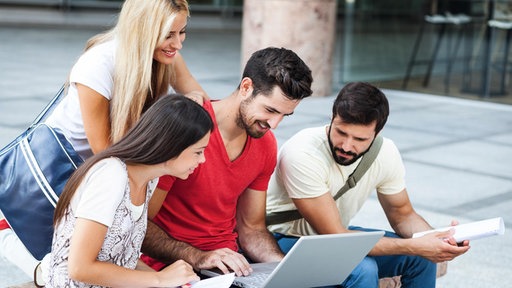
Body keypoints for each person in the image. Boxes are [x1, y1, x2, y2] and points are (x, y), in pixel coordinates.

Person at [0, 0, 207, 282]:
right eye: (169, 34)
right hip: (68, 166)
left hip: (118, 163)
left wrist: (193, 103)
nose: (178, 43)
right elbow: (104, 151)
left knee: (95, 252)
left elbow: (196, 93)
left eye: (182, 32)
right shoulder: (98, 64)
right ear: (143, 30)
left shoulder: (165, 56)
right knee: (63, 256)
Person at [265, 82, 471, 288]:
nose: (346, 146)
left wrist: (440, 239)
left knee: (422, 258)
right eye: (341, 132)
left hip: (334, 236)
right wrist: (415, 245)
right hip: (285, 240)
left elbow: (403, 215)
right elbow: (335, 235)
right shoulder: (302, 152)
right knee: (364, 269)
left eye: (359, 139)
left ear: (376, 133)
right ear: (332, 117)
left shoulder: (385, 152)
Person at [140, 47, 313, 276]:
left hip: (229, 267)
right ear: (246, 87)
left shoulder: (266, 144)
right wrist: (199, 257)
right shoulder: (186, 130)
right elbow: (140, 225)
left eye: (284, 115)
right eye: (270, 110)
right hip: (173, 266)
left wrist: (283, 270)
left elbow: (251, 228)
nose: (274, 124)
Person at [45, 94, 213, 287]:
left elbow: (122, 259)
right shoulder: (111, 176)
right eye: (198, 152)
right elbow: (79, 268)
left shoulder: (149, 180)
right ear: (172, 146)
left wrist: (171, 282)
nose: (202, 160)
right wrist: (159, 279)